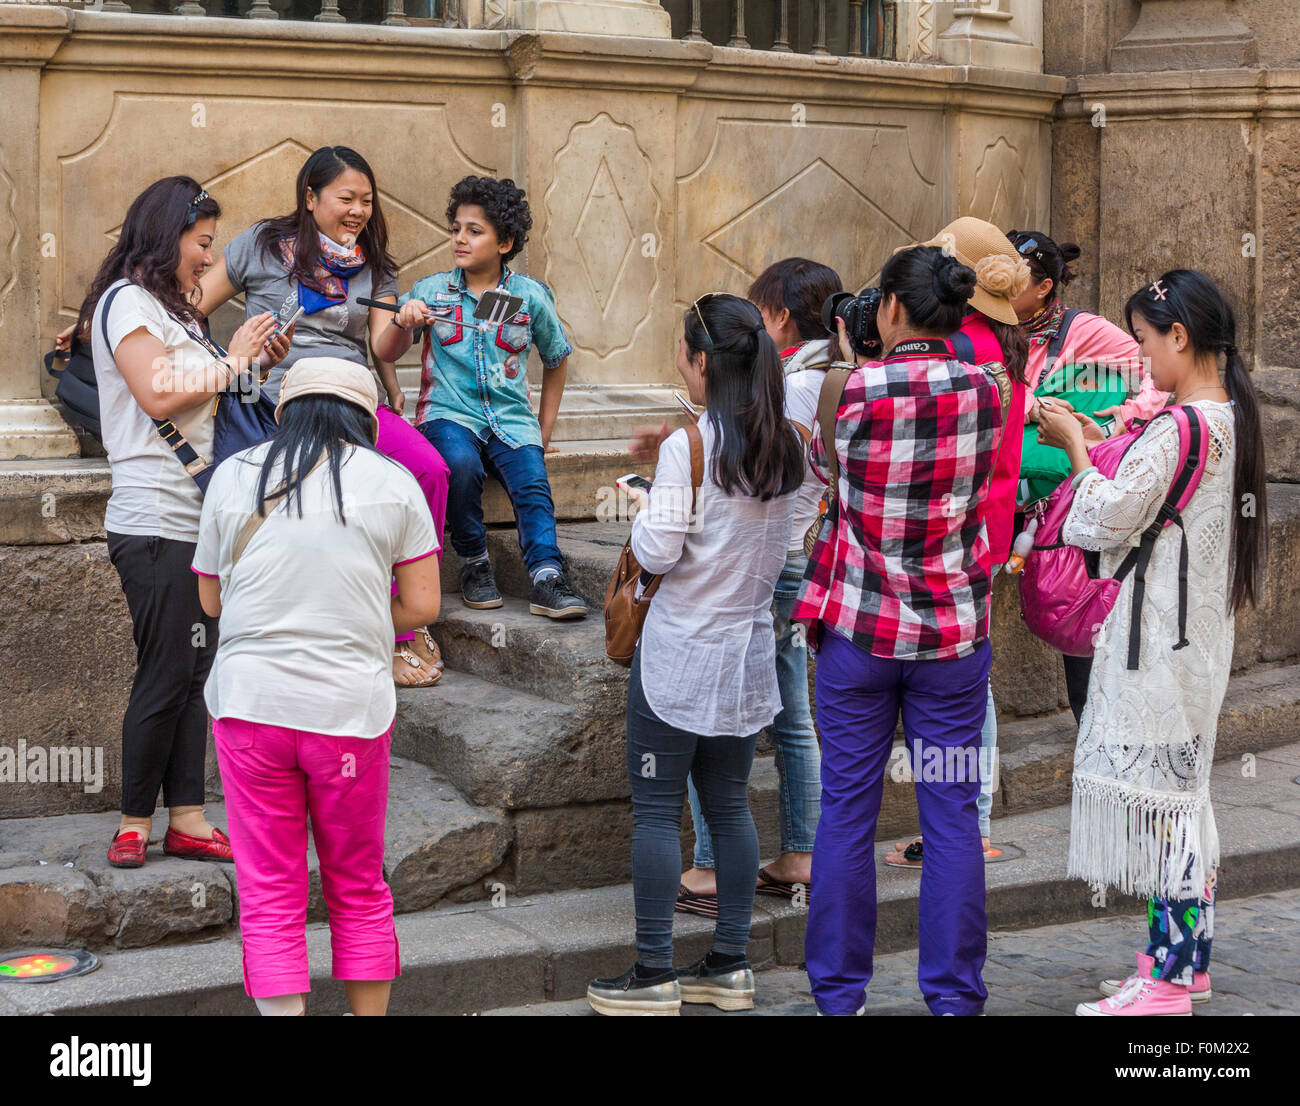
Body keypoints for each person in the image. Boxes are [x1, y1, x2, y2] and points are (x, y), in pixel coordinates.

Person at [1035, 270, 1266, 1017]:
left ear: (1180, 336)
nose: (1139, 358)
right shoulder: (1228, 417)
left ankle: (1165, 985)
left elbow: (1105, 520)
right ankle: (1181, 960)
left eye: (1143, 340)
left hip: (1157, 642)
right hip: (1192, 638)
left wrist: (1074, 445)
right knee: (1184, 800)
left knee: (1164, 809)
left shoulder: (1182, 426)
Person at [193, 358, 442, 1017]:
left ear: (284, 412)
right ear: (366, 421)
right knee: (357, 884)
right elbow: (421, 606)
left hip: (250, 707)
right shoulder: (392, 482)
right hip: (348, 715)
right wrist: (353, 617)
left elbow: (211, 600)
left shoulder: (232, 477)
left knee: (269, 888)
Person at [795, 245, 1006, 1017]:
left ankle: (839, 994)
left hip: (858, 631)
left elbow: (824, 473)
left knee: (846, 812)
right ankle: (953, 998)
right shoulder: (989, 389)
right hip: (951, 635)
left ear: (887, 306)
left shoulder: (846, 392)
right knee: (950, 813)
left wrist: (854, 362)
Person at [586, 294, 804, 1015]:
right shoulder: (788, 444)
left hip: (679, 653)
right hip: (745, 653)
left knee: (655, 811)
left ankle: (652, 973)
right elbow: (784, 543)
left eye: (684, 351)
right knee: (730, 804)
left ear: (702, 360)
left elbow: (657, 550)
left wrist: (648, 496)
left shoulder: (693, 446)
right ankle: (730, 963)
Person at [79, 176, 291, 869]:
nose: (208, 259)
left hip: (199, 519)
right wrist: (230, 362)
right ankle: (135, 821)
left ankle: (190, 817)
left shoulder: (181, 315)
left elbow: (209, 399)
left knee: (198, 669)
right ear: (168, 235)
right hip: (154, 518)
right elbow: (156, 392)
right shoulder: (125, 303)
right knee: (167, 668)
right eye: (202, 244)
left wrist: (251, 364)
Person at [196, 146, 449, 688]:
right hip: (277, 395)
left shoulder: (375, 265)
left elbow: (383, 346)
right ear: (310, 198)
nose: (358, 210)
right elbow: (194, 305)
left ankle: (401, 623)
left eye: (366, 199)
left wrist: (406, 323)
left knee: (430, 469)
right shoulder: (263, 246)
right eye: (346, 198)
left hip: (354, 395)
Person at [676, 258, 842, 916]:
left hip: (744, 570)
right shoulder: (831, 379)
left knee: (709, 713)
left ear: (775, 317)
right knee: (793, 711)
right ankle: (802, 851)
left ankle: (712, 866)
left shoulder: (785, 387)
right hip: (796, 556)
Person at [374, 175, 585, 620]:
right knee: (460, 466)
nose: (460, 239)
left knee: (532, 481)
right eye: (456, 229)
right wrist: (403, 325)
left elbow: (557, 357)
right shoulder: (432, 292)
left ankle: (547, 576)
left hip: (511, 419)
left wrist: (541, 432)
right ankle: (474, 560)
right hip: (448, 415)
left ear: (505, 241)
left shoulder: (529, 297)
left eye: (474, 231)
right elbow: (383, 351)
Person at [884, 217, 1028, 867]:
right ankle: (969, 821)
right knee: (972, 675)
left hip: (948, 531)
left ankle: (970, 823)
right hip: (984, 527)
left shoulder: (963, 350)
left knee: (969, 684)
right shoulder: (1003, 345)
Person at [1006, 229, 1169, 725]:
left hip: (1064, 501)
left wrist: (1108, 424)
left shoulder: (1085, 332)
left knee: (1075, 610)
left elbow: (1156, 379)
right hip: (999, 493)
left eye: (1012, 281)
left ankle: (1094, 729)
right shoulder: (984, 328)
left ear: (1044, 288)